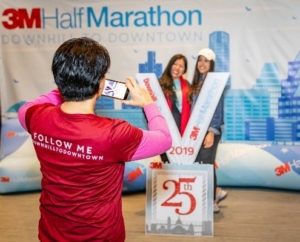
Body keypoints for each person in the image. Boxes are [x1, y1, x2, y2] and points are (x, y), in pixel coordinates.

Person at [18, 37, 172, 242]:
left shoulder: (34, 116)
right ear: (101, 84)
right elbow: (164, 139)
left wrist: (67, 86)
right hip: (101, 236)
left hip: (51, 234)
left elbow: (30, 105)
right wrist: (149, 104)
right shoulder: (114, 133)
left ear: (58, 77)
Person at [190, 48, 227, 213]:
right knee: (200, 164)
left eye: (206, 60)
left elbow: (218, 110)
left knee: (207, 165)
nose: (202, 64)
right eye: (200, 60)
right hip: (196, 131)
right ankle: (215, 192)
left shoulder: (214, 83)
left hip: (209, 131)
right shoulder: (196, 83)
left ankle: (212, 200)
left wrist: (211, 132)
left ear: (211, 64)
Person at [158, 54, 191, 163]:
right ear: (170, 65)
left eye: (181, 66)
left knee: (181, 161)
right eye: (175, 64)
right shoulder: (159, 84)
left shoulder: (187, 85)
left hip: (183, 129)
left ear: (184, 69)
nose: (177, 68)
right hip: (165, 128)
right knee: (167, 160)